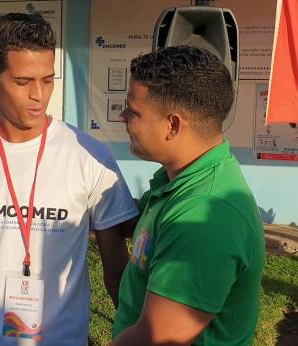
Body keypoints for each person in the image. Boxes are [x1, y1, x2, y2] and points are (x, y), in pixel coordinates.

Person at [0, 13, 138, 346]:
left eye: (48, 80)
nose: (38, 94)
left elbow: (117, 273)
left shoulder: (90, 157)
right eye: (23, 81)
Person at [112, 46, 265, 345]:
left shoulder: (206, 216)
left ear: (172, 125)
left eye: (133, 110)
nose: (122, 116)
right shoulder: (180, 180)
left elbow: (156, 338)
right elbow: (139, 223)